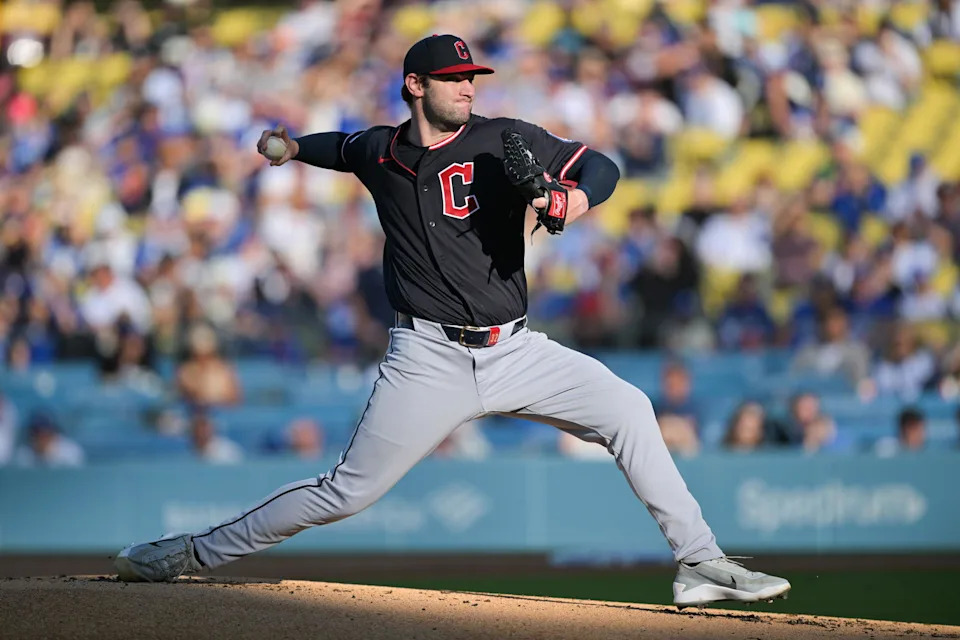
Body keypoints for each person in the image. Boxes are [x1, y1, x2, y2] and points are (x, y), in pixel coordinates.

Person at [115, 34, 789, 608]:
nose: (468, 87)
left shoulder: (504, 138)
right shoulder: (380, 152)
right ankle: (191, 554)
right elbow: (341, 147)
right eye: (454, 78)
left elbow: (600, 166)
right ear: (415, 85)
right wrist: (291, 150)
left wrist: (570, 199)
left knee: (630, 410)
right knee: (345, 493)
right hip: (427, 359)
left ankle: (699, 561)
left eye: (472, 78)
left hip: (517, 350)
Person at [14, 413, 85, 468]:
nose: (41, 439)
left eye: (45, 434)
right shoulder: (23, 454)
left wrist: (50, 456)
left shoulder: (70, 452)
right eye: (37, 434)